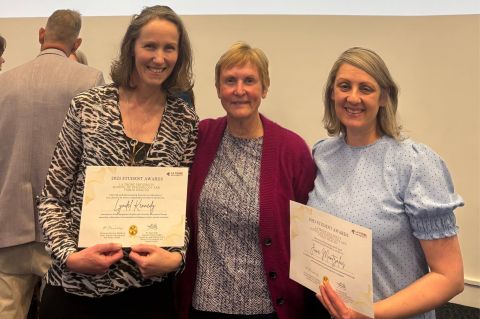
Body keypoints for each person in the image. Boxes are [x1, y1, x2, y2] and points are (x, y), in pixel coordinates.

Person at [37, 5, 197, 318]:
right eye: (149, 46)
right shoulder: (88, 106)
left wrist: (176, 257)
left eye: (169, 48)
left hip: (148, 295)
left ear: (180, 55)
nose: (159, 58)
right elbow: (52, 199)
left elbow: (181, 209)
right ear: (131, 48)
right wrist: (70, 256)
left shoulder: (185, 121)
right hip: (76, 290)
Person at [308, 47, 464, 319]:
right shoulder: (322, 154)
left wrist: (367, 314)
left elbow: (449, 277)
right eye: (344, 86)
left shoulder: (414, 163)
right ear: (332, 93)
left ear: (384, 97)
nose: (352, 97)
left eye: (365, 88)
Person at [177, 42, 327, 319]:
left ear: (265, 88)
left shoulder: (291, 149)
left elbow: (308, 232)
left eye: (249, 80)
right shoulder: (200, 136)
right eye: (230, 81)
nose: (239, 90)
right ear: (218, 89)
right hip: (202, 306)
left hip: (268, 309)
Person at [0, 10, 104, 319]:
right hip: (63, 231)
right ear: (77, 42)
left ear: (41, 34)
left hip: (8, 223)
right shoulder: (91, 79)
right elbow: (97, 155)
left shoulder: (4, 82)